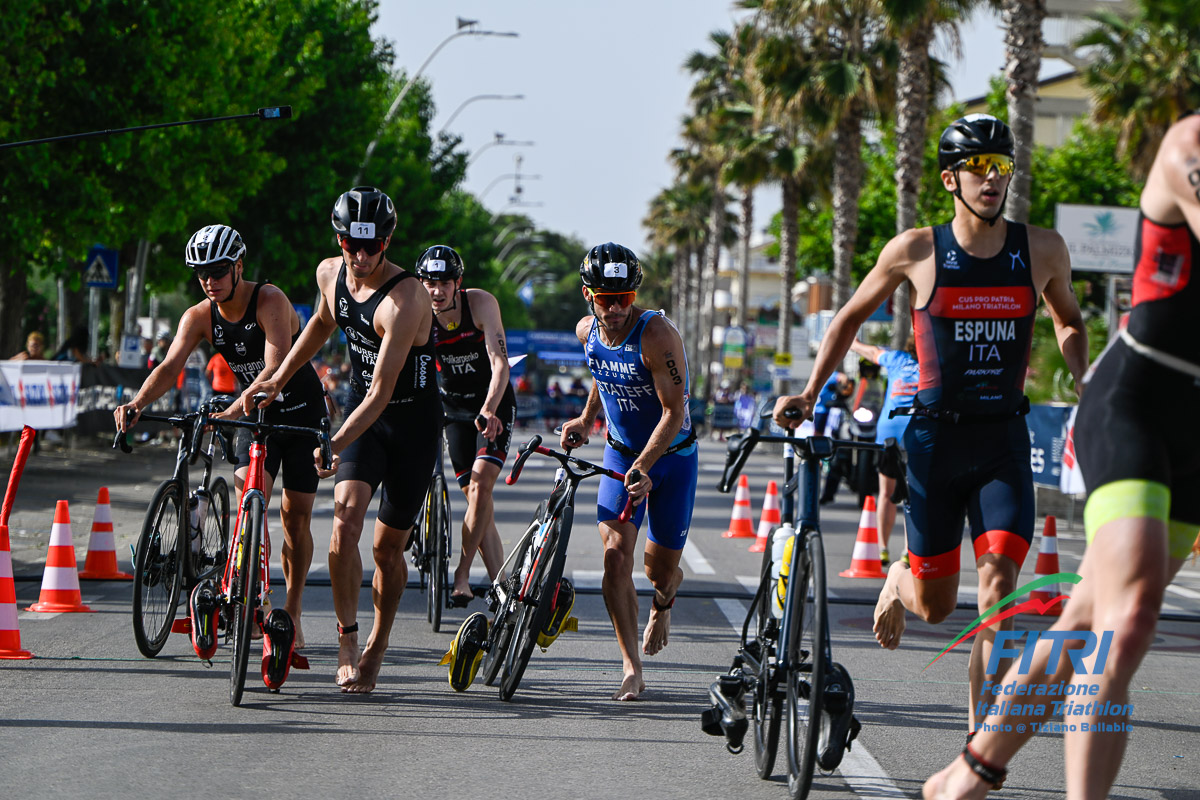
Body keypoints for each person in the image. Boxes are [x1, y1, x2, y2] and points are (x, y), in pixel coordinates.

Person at [773, 114, 1088, 739]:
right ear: (951, 178)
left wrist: (1087, 381)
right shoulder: (915, 250)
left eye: (1001, 166)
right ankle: (900, 576)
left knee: (998, 587)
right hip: (934, 444)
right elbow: (846, 320)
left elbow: (1069, 321)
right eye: (978, 167)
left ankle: (979, 736)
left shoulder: (1043, 248)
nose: (991, 178)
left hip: (1001, 440)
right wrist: (810, 393)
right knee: (939, 607)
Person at [924, 112, 1200, 800]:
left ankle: (971, 768)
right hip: (1138, 402)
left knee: (1085, 615)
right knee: (1128, 618)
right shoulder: (1189, 144)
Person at [243, 186, 440, 694]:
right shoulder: (330, 273)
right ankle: (347, 638)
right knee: (344, 522)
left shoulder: (406, 299)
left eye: (370, 247)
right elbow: (319, 326)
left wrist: (332, 440)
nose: (360, 256)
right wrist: (276, 379)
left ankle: (377, 642)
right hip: (363, 417)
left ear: (388, 241)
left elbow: (382, 390)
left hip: (411, 425)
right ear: (340, 238)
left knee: (387, 552)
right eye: (351, 244)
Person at [113, 224, 326, 680]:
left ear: (238, 267)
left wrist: (226, 412)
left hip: (299, 411)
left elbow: (274, 368)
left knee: (297, 519)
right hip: (257, 419)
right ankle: (251, 593)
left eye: (218, 270)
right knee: (253, 497)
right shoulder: (199, 315)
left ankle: (293, 610)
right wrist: (136, 403)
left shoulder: (269, 300)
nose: (209, 280)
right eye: (201, 273)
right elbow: (170, 366)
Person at [560, 242, 698, 701]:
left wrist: (646, 463)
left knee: (659, 572)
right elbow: (604, 375)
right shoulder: (587, 333)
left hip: (672, 457)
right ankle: (630, 667)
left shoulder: (656, 335)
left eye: (625, 296)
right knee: (615, 555)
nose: (617, 307)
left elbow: (673, 411)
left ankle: (665, 597)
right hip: (622, 456)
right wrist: (585, 419)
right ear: (587, 295)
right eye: (605, 297)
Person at [415, 244, 513, 604]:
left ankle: (461, 573)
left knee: (482, 483)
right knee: (476, 498)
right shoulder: (418, 311)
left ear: (459, 283)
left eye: (444, 283)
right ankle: (502, 584)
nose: (436, 291)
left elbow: (500, 364)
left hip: (492, 401)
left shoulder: (482, 304)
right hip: (451, 406)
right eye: (428, 283)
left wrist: (489, 408)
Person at [849, 337, 919, 563]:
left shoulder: (898, 359)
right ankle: (909, 551)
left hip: (888, 432)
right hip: (917, 434)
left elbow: (872, 352)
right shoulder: (935, 363)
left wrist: (852, 341)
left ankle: (882, 547)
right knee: (914, 496)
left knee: (886, 494)